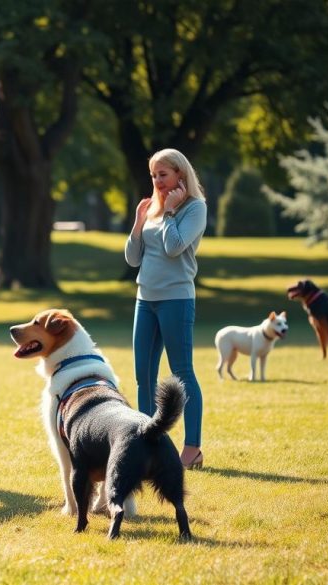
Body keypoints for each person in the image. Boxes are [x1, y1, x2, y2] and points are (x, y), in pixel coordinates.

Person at [124, 148, 208, 470]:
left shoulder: (194, 208)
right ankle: (147, 444)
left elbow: (174, 249)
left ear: (180, 175)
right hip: (145, 299)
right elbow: (133, 258)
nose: (157, 181)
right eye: (154, 175)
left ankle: (192, 448)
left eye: (163, 174)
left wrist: (171, 211)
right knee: (143, 376)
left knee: (182, 374)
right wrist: (138, 222)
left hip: (176, 299)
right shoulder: (153, 208)